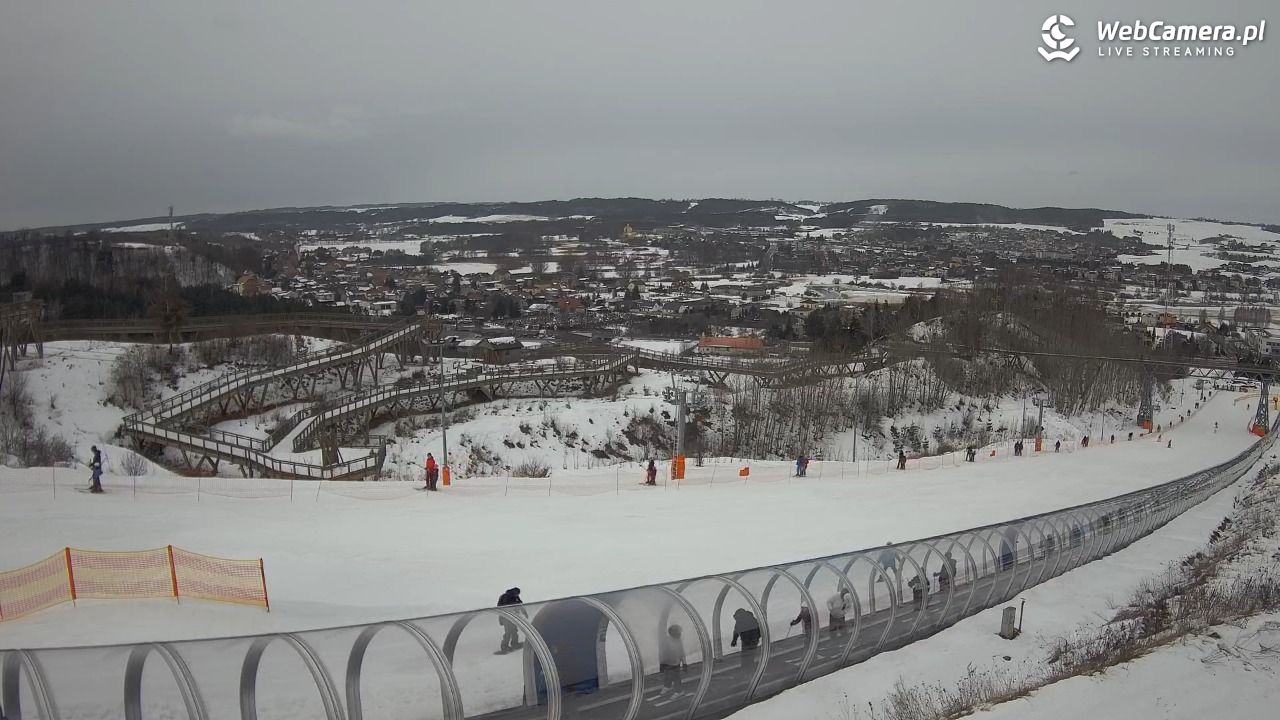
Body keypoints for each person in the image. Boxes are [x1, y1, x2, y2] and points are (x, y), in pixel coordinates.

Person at [658, 625, 686, 696]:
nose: (680, 634)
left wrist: (684, 663)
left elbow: (682, 652)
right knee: (667, 675)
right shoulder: (666, 641)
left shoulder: (679, 641)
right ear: (673, 633)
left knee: (676, 677)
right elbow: (662, 652)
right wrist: (661, 664)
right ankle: (668, 686)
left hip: (675, 663)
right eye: (678, 633)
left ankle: (679, 691)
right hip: (667, 662)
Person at [497, 587, 523, 653]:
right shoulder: (505, 597)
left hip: (513, 617)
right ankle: (504, 646)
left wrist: (524, 612)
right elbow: (504, 607)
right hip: (506, 617)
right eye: (517, 594)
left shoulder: (515, 597)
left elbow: (520, 604)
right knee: (508, 631)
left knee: (514, 630)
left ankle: (515, 643)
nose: (517, 595)